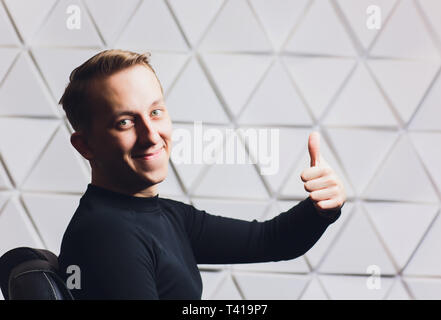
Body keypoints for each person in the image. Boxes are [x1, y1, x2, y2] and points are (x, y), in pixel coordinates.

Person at [57, 49, 346, 300]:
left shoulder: (164, 215)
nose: (151, 135)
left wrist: (323, 207)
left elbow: (271, 239)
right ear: (85, 146)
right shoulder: (106, 234)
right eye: (125, 122)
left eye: (156, 112)